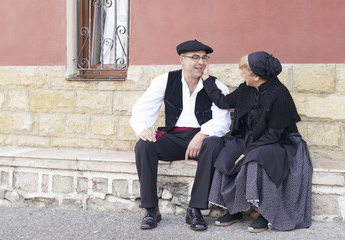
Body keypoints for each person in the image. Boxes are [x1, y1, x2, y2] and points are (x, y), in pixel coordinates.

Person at [201, 51, 313, 233]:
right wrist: (207, 79)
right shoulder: (246, 88)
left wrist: (247, 152)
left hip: (279, 142)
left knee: (254, 158)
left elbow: (274, 134)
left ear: (256, 75)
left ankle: (264, 212)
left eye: (243, 71)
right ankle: (234, 209)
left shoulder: (279, 94)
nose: (241, 74)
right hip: (249, 138)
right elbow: (223, 101)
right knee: (227, 153)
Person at [129, 40, 231, 231]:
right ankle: (151, 209)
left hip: (202, 138)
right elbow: (143, 107)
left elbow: (223, 120)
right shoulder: (165, 80)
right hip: (174, 137)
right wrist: (143, 128)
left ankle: (195, 209)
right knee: (144, 145)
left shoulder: (215, 85)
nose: (200, 62)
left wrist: (202, 135)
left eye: (204, 57)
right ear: (182, 60)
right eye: (194, 57)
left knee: (214, 144)